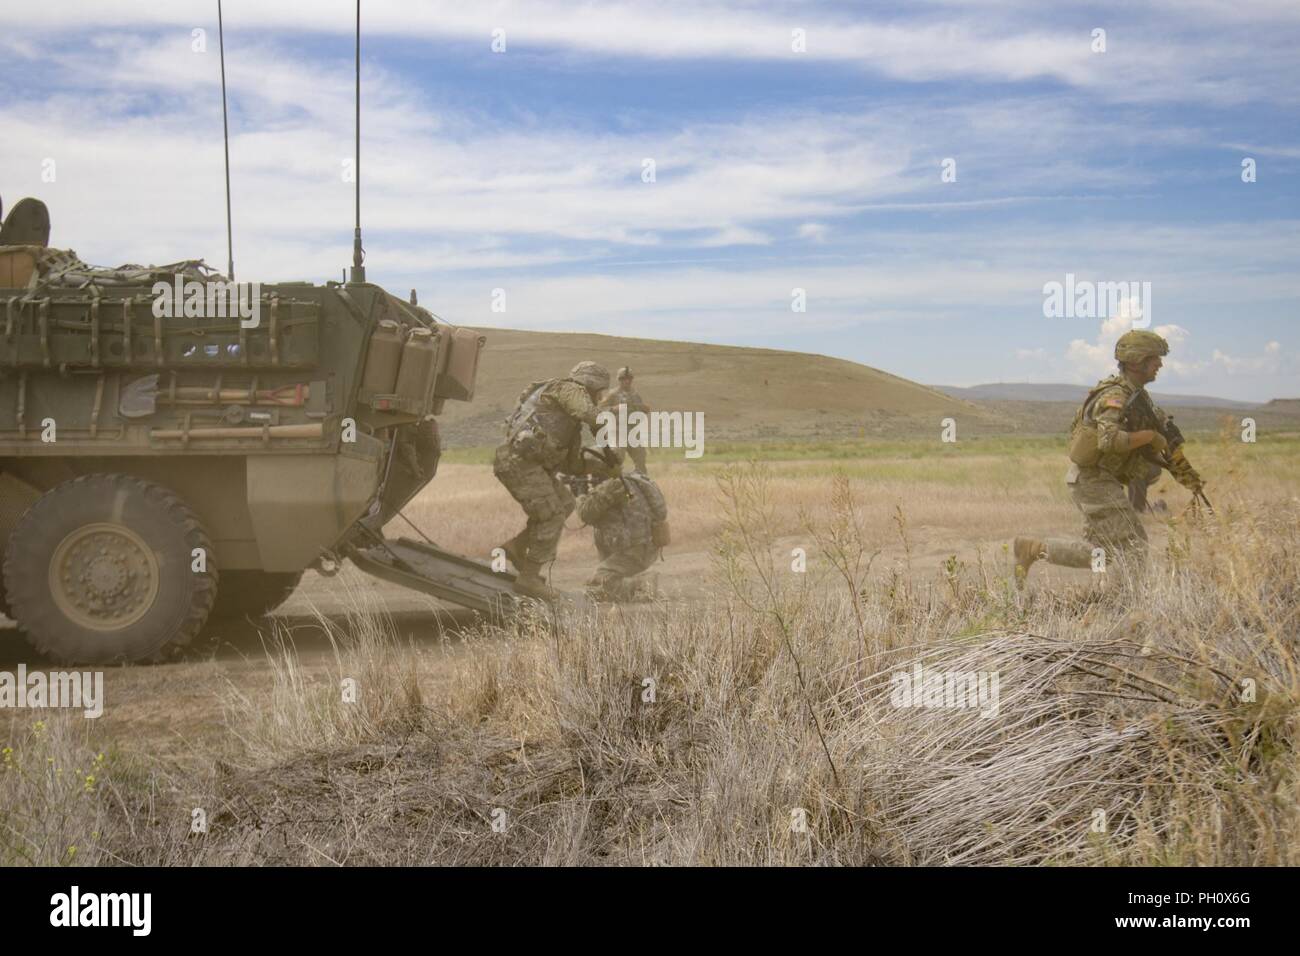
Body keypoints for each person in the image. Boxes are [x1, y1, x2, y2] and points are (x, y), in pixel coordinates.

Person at [1013, 330, 1203, 584]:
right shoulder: (1115, 396)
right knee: (1134, 545)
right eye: (1154, 358)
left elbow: (1166, 445)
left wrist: (1189, 479)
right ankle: (1129, 608)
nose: (1160, 364)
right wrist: (1149, 436)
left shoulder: (1139, 398)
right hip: (1094, 482)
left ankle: (1033, 549)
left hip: (1098, 481)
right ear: (1137, 360)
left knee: (1105, 553)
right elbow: (1108, 440)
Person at [494, 361, 610, 599]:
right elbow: (589, 414)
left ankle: (516, 548)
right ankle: (528, 579)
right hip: (520, 463)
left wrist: (601, 466)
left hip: (527, 464)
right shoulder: (568, 389)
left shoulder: (568, 420)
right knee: (552, 515)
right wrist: (609, 426)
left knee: (565, 503)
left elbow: (572, 465)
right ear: (590, 384)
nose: (600, 397)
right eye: (600, 391)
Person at [575, 447, 668, 602]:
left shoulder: (612, 486)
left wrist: (580, 494)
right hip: (645, 547)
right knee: (597, 586)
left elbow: (586, 514)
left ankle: (642, 584)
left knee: (601, 579)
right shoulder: (633, 480)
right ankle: (619, 584)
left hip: (633, 551)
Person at [599, 366, 651, 474]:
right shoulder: (613, 394)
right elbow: (600, 408)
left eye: (629, 378)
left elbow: (640, 408)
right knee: (617, 457)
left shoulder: (635, 394)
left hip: (632, 431)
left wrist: (643, 409)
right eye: (624, 379)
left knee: (640, 456)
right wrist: (613, 409)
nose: (627, 381)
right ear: (619, 380)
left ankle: (641, 481)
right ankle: (612, 480)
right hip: (618, 431)